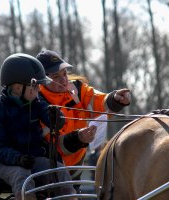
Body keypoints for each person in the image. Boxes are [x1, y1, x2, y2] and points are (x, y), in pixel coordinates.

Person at [0, 53, 78, 200]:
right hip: (6, 163)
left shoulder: (36, 102)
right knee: (22, 175)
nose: (39, 90)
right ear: (17, 87)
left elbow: (49, 117)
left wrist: (57, 118)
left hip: (33, 159)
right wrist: (18, 158)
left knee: (60, 171)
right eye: (35, 85)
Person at [36, 49, 131, 182]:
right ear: (42, 80)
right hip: (51, 176)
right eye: (56, 76)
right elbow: (53, 145)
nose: (63, 80)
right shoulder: (37, 104)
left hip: (76, 171)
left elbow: (96, 100)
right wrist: (79, 138)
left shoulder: (77, 89)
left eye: (65, 73)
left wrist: (115, 99)